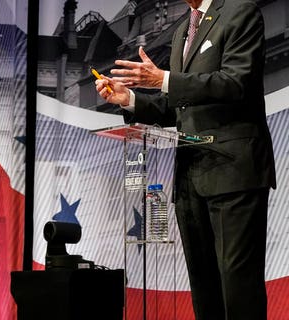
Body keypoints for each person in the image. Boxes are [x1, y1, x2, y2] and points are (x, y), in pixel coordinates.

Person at [95, 0, 276, 319]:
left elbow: (235, 83)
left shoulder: (240, 12)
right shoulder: (182, 31)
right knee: (204, 290)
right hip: (191, 176)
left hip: (233, 172)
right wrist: (131, 99)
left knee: (238, 287)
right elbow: (176, 107)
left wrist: (163, 79)